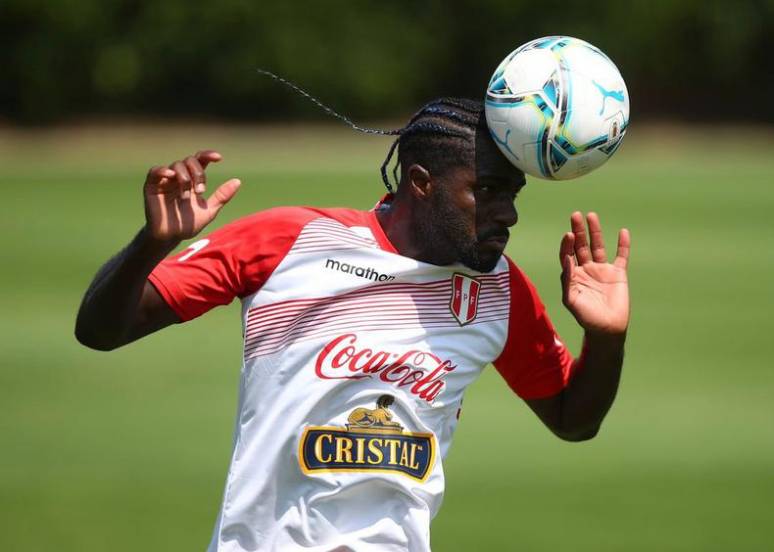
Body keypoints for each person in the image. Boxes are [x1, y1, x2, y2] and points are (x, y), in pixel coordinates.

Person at [75, 98, 630, 552]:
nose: (507, 213)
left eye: (512, 194)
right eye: (486, 192)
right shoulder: (289, 242)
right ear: (421, 182)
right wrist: (152, 245)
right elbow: (101, 330)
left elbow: (572, 419)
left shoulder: (496, 290)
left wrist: (605, 337)